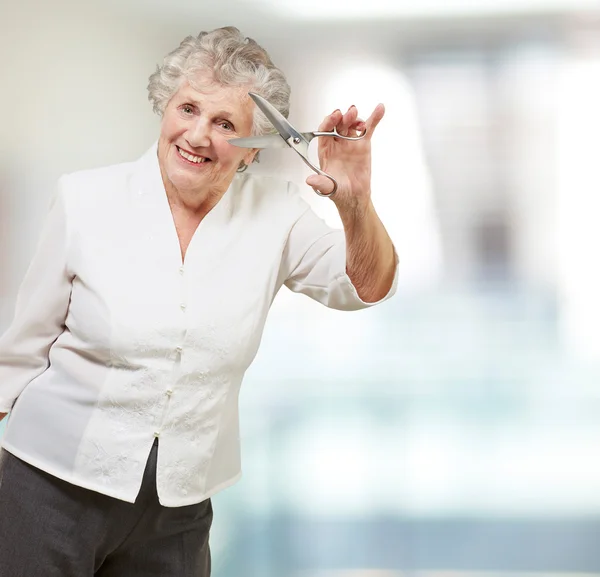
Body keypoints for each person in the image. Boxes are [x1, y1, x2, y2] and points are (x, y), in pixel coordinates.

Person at [0, 26, 397, 577]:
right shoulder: (85, 198)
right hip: (49, 484)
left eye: (226, 123)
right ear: (165, 107)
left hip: (179, 506)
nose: (198, 134)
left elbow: (366, 287)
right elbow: (22, 352)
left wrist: (355, 202)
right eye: (187, 108)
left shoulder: (276, 212)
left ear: (254, 146)